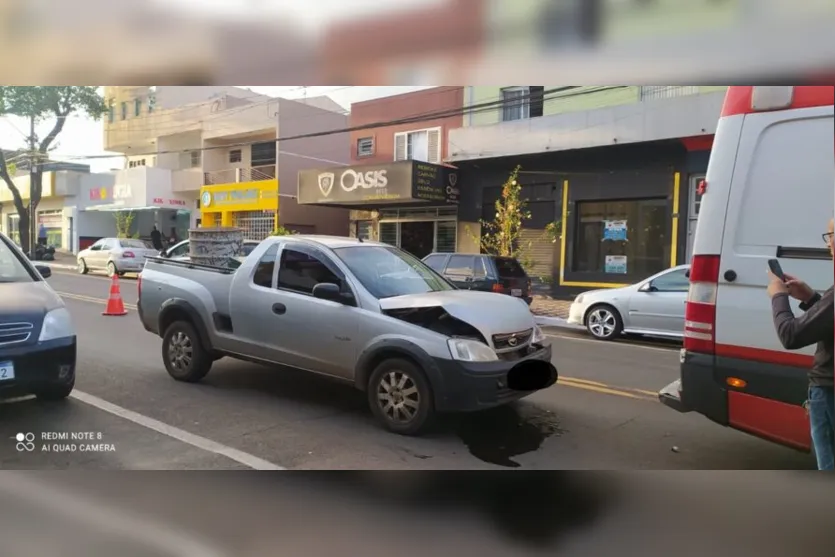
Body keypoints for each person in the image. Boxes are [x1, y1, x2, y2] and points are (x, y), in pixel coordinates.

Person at [767, 218, 835, 470]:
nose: (828, 244)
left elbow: (790, 335)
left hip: (829, 391)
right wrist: (811, 297)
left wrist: (778, 296)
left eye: (830, 235)